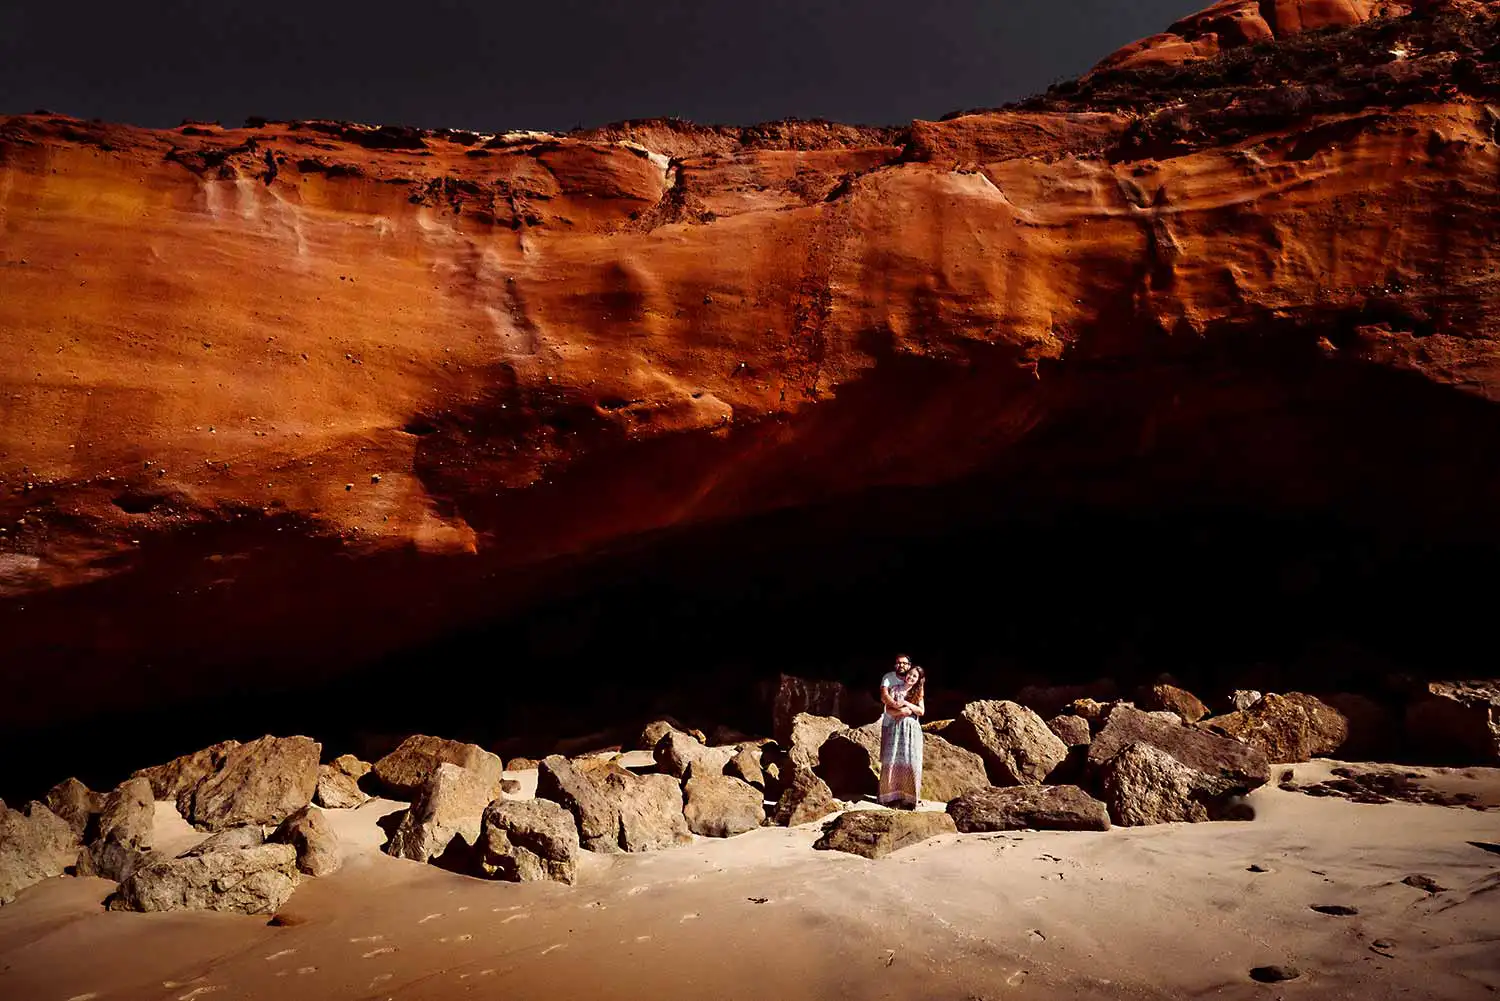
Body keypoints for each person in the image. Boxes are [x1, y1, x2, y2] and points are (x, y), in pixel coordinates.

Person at [878, 655, 925, 809]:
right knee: (892, 760)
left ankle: (911, 798)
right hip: (895, 727)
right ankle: (891, 797)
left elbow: (921, 711)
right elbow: (888, 707)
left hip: (912, 729)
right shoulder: (893, 686)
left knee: (911, 762)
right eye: (910, 675)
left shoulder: (918, 691)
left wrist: (906, 705)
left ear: (918, 679)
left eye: (915, 676)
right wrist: (901, 711)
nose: (911, 677)